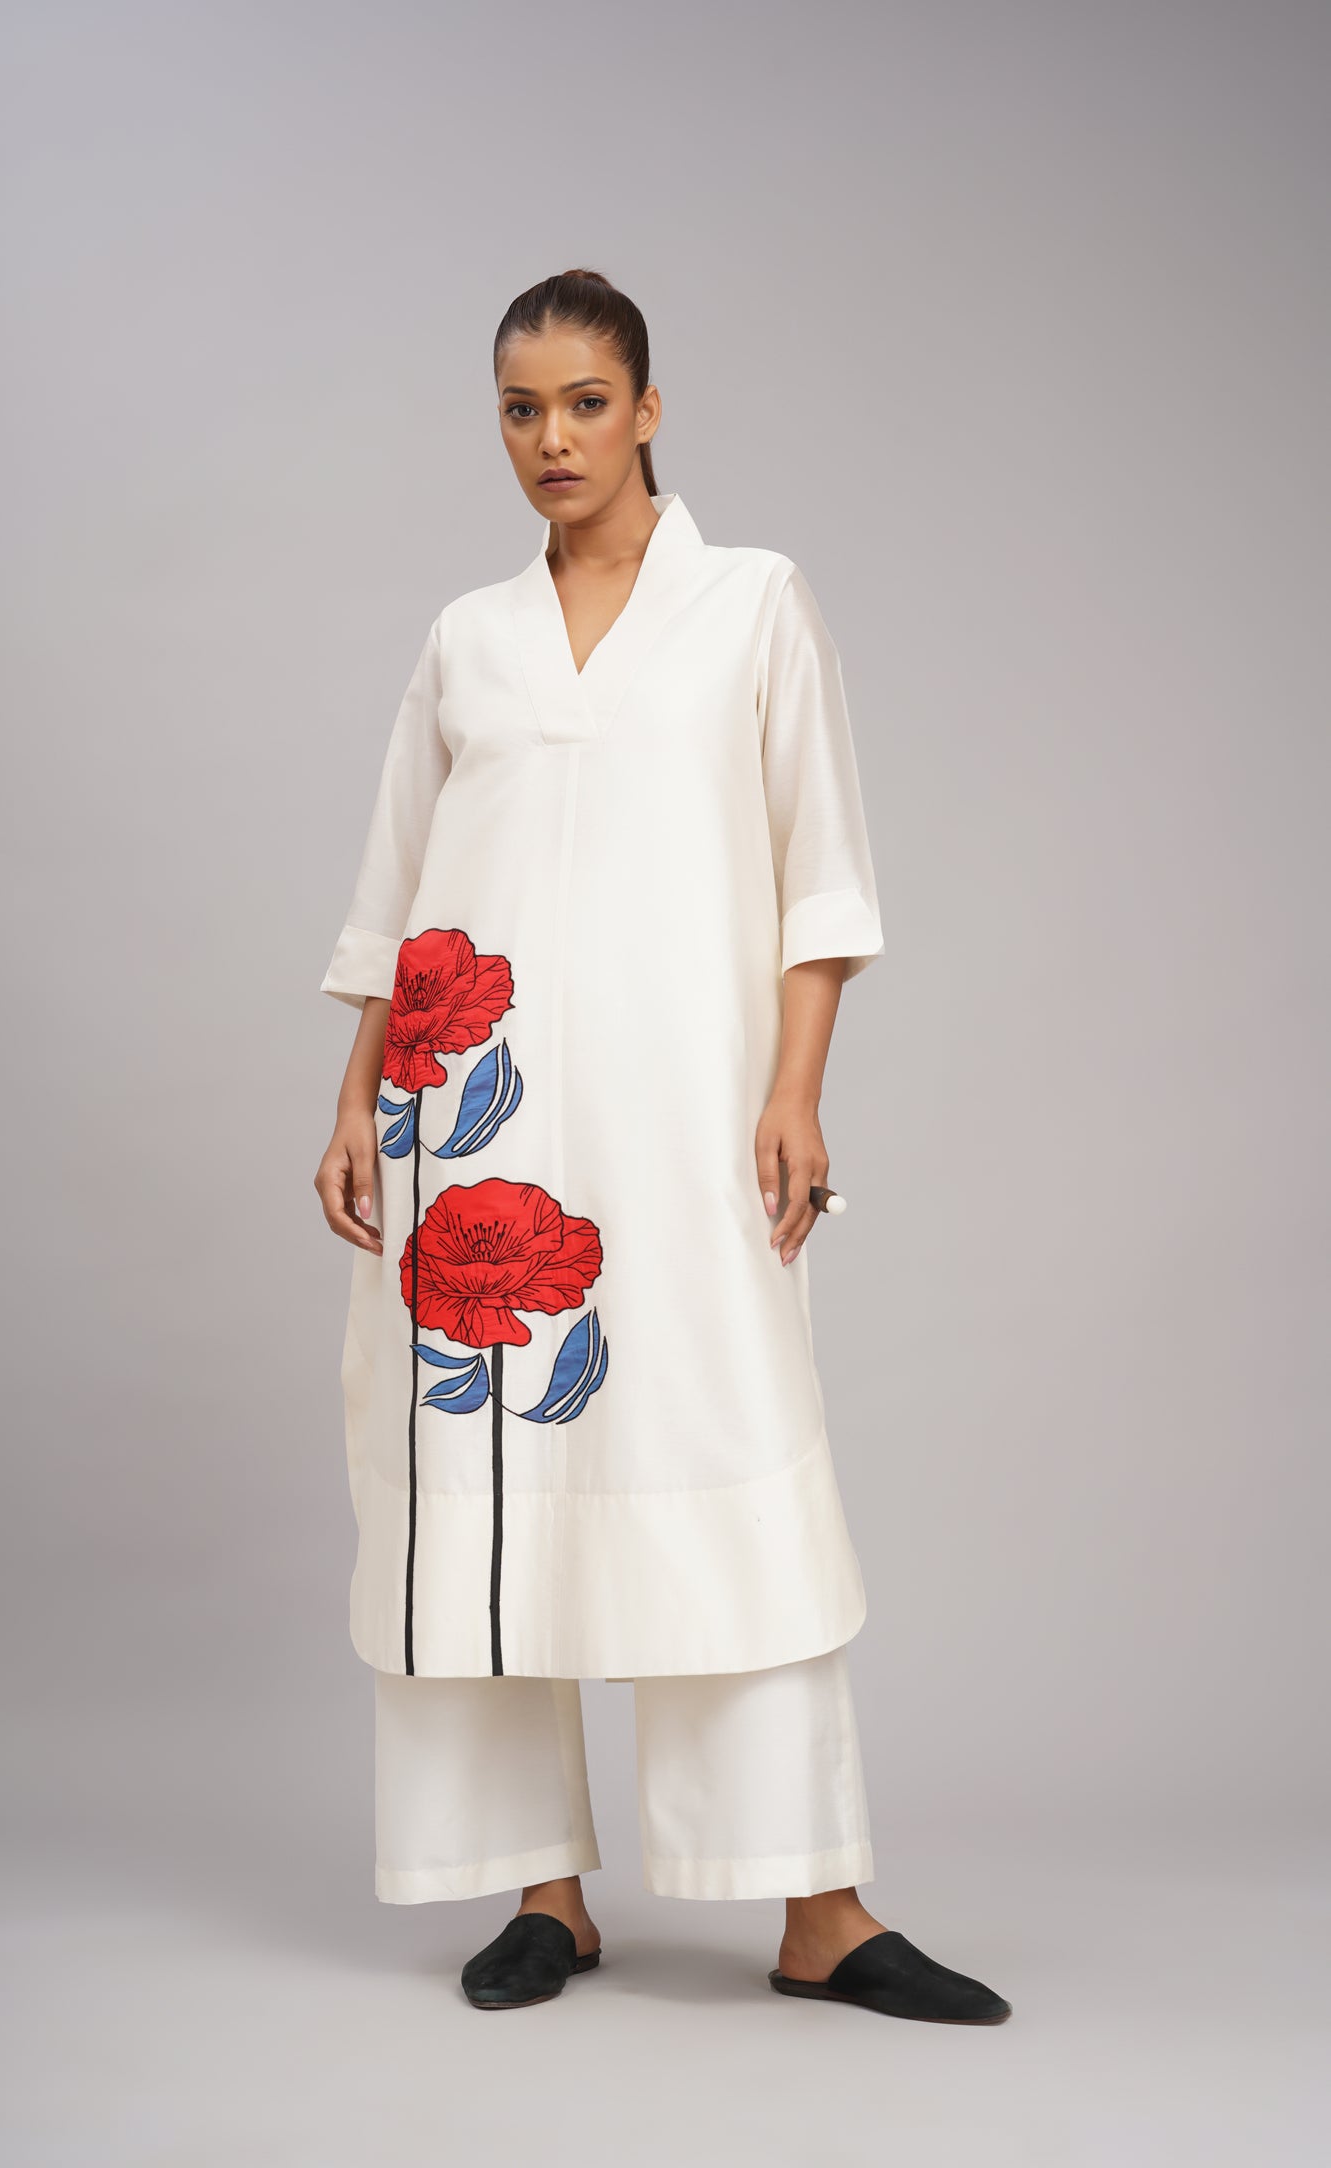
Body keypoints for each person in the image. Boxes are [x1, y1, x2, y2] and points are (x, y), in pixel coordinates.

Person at [313, 268, 1011, 2023]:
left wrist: (795, 1091)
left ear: (645, 410)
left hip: (685, 1111)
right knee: (485, 1476)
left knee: (726, 1453)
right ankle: (542, 1894)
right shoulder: (467, 637)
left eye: (583, 403)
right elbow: (399, 894)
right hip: (470, 1126)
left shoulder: (750, 603)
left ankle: (817, 1909)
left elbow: (820, 872)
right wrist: (350, 1104)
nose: (550, 439)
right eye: (518, 409)